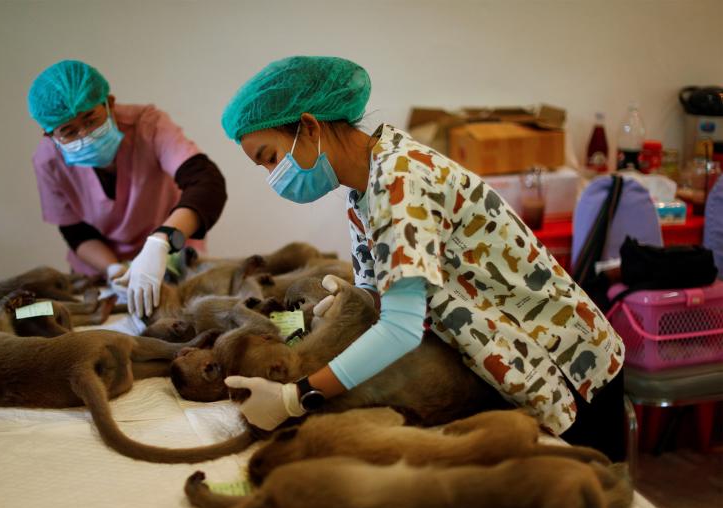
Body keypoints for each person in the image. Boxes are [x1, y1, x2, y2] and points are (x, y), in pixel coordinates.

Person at [220, 56, 627, 461]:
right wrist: (356, 299)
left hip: (564, 360)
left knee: (593, 497)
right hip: (509, 353)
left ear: (309, 126)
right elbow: (387, 291)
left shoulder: (401, 181)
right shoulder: (364, 190)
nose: (274, 175)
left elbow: (401, 328)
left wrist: (297, 396)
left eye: (271, 158)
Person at [27, 60, 228, 317]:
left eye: (91, 120)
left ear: (109, 103)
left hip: (171, 254)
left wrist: (160, 244)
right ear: (50, 135)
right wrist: (113, 269)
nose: (85, 136)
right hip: (99, 270)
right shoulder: (48, 160)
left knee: (180, 318)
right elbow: (74, 229)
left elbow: (206, 182)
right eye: (68, 132)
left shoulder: (149, 126)